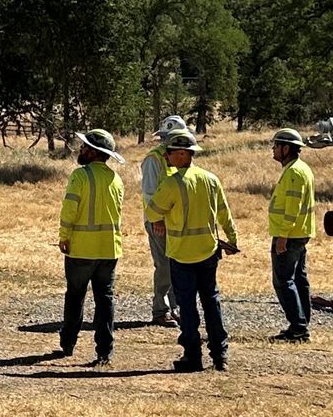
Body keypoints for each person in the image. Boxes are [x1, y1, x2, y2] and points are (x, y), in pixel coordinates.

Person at [146, 128, 240, 372]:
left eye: (169, 153)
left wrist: (159, 219)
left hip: (181, 254)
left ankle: (192, 355)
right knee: (211, 302)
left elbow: (152, 211)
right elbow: (224, 212)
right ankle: (220, 355)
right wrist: (232, 239)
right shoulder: (211, 179)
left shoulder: (172, 184)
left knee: (187, 307)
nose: (165, 157)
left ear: (181, 155)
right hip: (209, 252)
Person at [56, 128, 128, 364]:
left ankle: (68, 343)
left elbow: (70, 209)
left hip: (82, 249)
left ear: (94, 152)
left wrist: (64, 236)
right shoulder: (116, 179)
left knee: (75, 297)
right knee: (105, 300)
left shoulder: (80, 175)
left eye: (85, 146)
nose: (81, 149)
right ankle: (104, 351)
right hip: (109, 249)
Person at [267, 127, 317, 341]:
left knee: (283, 281)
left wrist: (282, 236)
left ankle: (298, 327)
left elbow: (292, 208)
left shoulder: (295, 172)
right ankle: (301, 322)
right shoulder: (300, 168)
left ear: (286, 148)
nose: (273, 150)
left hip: (290, 234)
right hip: (299, 233)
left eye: (276, 146)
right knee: (298, 278)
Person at [140, 114, 190, 325]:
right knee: (164, 266)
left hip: (176, 221)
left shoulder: (179, 157)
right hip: (159, 222)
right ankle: (161, 310)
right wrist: (158, 220)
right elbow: (150, 194)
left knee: (177, 264)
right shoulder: (154, 160)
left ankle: (175, 307)